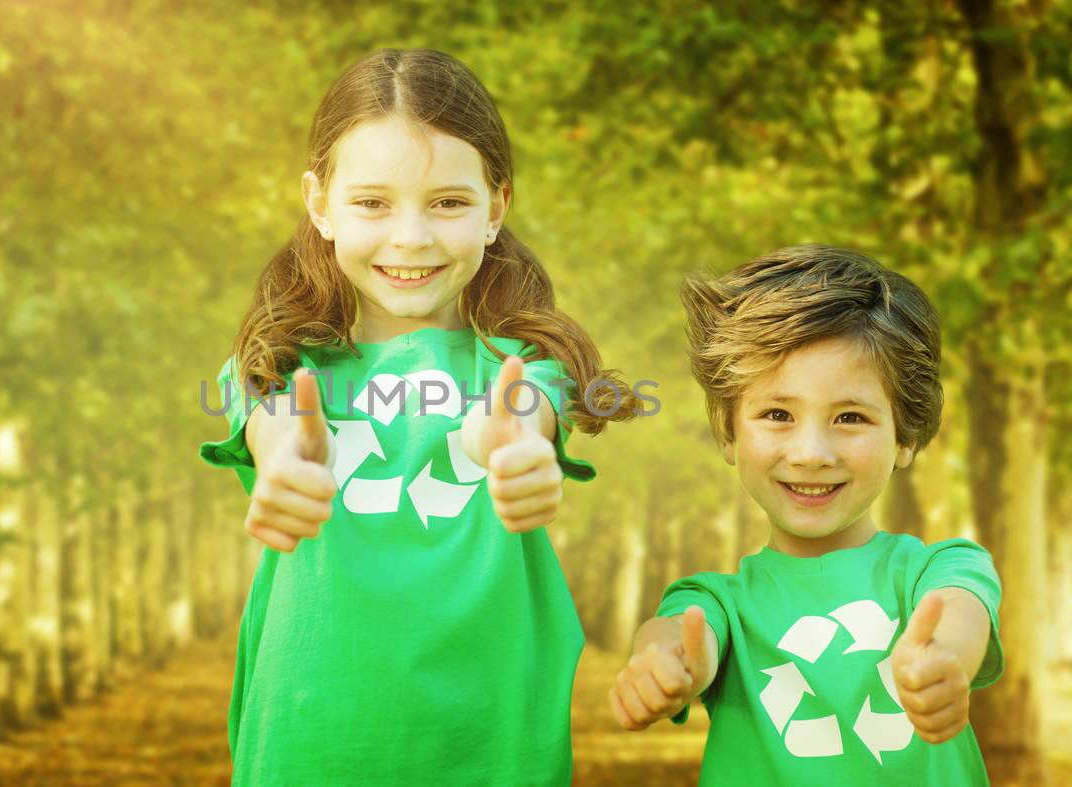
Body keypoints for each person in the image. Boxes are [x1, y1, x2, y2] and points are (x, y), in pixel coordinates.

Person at [200, 48, 637, 785]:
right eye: (372, 202)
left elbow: (526, 409)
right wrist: (284, 463)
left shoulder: (527, 366)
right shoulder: (274, 366)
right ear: (320, 205)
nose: (411, 237)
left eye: (448, 202)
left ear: (495, 209)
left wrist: (513, 443)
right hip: (308, 750)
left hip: (492, 753)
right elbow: (272, 421)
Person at [609, 246, 1003, 784]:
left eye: (849, 416)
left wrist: (945, 662)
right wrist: (662, 665)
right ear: (729, 432)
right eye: (777, 414)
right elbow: (677, 636)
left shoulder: (940, 570)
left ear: (905, 435)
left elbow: (960, 615)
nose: (811, 452)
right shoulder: (719, 603)